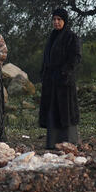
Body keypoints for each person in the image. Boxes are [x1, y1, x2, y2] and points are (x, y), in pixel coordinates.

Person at [38, 8, 82, 148]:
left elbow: (75, 57)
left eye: (59, 19)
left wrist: (64, 72)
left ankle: (69, 142)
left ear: (65, 21)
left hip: (64, 81)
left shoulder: (71, 37)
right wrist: (44, 74)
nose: (56, 22)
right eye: (54, 19)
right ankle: (52, 143)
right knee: (53, 110)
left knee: (66, 111)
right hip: (51, 81)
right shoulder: (51, 37)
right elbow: (47, 59)